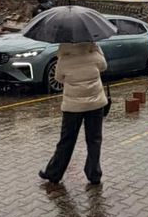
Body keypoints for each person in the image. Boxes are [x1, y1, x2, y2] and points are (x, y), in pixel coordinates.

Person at [39, 42, 108, 185]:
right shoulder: (94, 55)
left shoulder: (64, 60)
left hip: (73, 106)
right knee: (94, 140)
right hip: (95, 104)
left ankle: (54, 173)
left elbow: (58, 78)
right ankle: (94, 174)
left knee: (67, 141)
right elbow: (104, 67)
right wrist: (96, 48)